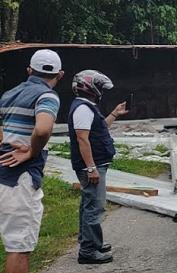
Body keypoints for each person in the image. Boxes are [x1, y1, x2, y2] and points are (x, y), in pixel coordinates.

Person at [0, 50, 63, 273]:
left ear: (29, 71)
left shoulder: (8, 94)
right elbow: (44, 128)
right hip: (20, 179)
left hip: (4, 175)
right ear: (60, 75)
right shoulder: (47, 96)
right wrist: (31, 152)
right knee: (18, 246)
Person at [68, 70, 128, 265]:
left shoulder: (87, 107)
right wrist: (91, 168)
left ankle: (92, 242)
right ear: (91, 88)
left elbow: (99, 128)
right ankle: (88, 251)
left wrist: (114, 114)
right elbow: (82, 139)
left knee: (89, 205)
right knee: (95, 207)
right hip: (92, 167)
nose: (101, 91)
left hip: (95, 164)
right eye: (100, 87)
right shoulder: (83, 108)